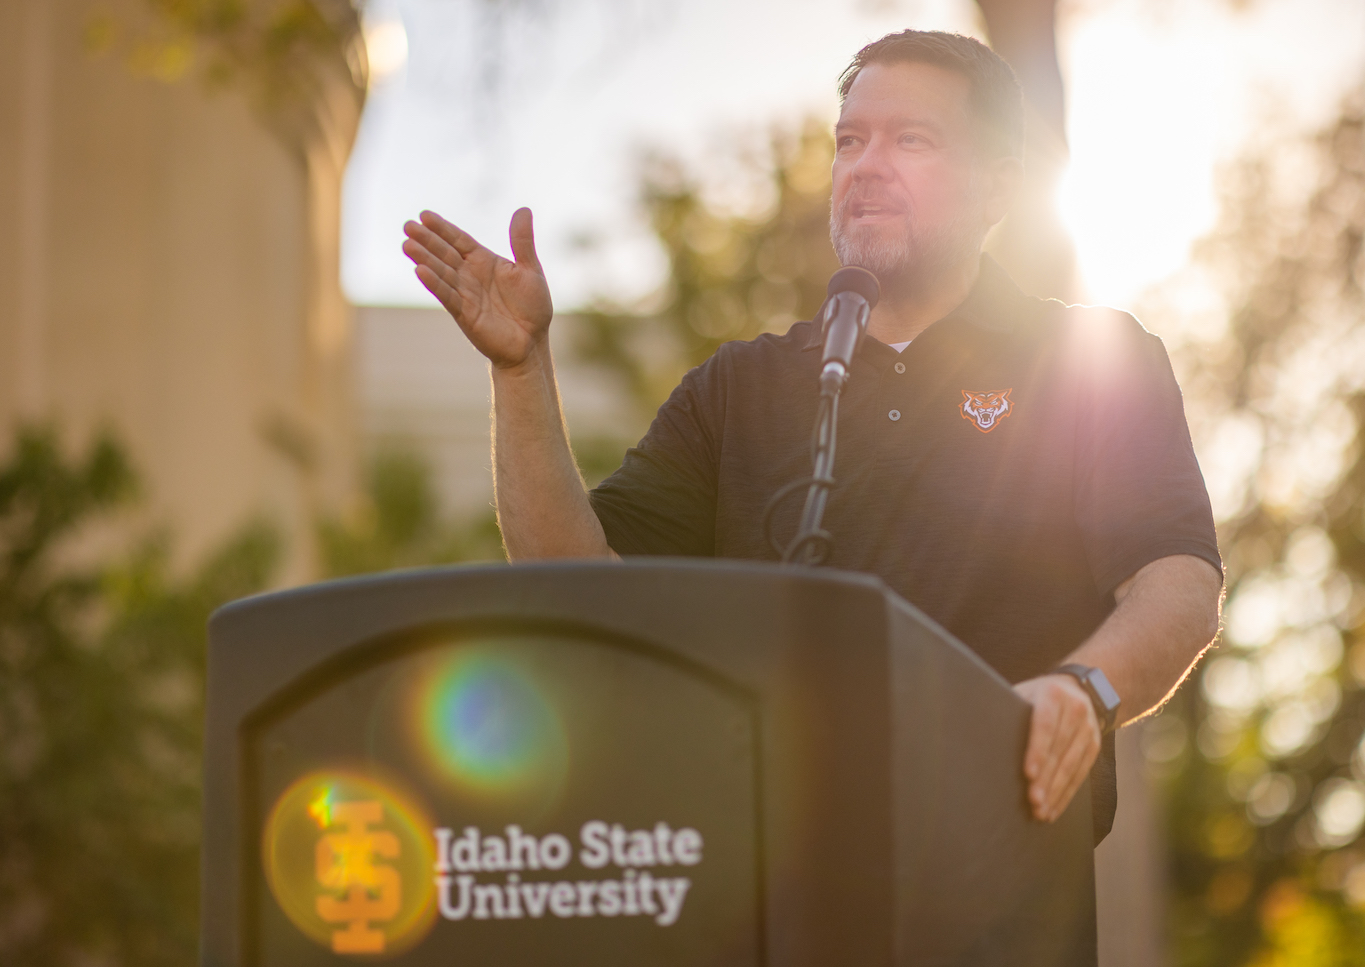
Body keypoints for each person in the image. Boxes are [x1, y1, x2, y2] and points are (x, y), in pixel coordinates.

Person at [401, 30, 1223, 843]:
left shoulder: (1092, 360)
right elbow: (575, 581)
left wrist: (1082, 691)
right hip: (765, 871)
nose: (867, 165)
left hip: (1000, 862)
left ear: (997, 189)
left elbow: (1178, 582)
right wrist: (520, 373)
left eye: (912, 139)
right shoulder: (740, 387)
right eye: (850, 141)